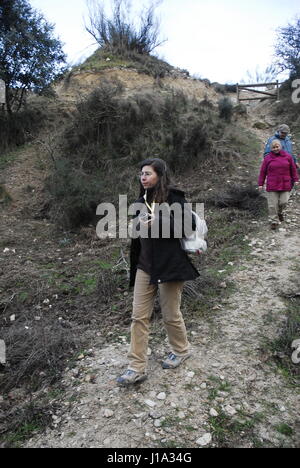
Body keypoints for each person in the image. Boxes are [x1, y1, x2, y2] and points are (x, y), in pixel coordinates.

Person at [117, 158, 200, 386]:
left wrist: (160, 221)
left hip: (169, 265)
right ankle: (136, 367)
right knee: (138, 317)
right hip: (145, 266)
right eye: (141, 174)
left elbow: (187, 226)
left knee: (170, 315)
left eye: (148, 174)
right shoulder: (140, 200)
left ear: (160, 176)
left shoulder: (175, 198)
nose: (143, 177)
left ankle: (181, 350)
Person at [258, 139, 299, 229]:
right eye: (273, 147)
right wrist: (260, 184)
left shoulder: (288, 156)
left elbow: (293, 169)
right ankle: (274, 221)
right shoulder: (267, 158)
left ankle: (279, 212)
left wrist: (296, 179)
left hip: (285, 183)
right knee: (272, 204)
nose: (275, 149)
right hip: (272, 184)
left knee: (284, 202)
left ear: (280, 147)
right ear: (271, 148)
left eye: (277, 147)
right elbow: (263, 172)